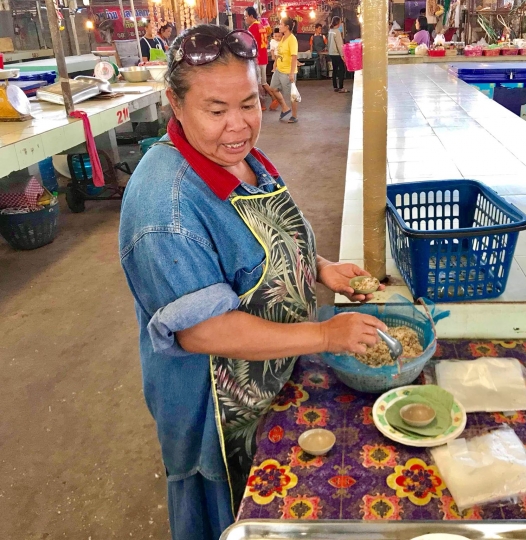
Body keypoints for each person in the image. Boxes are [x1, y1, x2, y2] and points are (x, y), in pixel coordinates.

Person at [119, 23, 385, 540]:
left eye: (249, 103)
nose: (238, 125)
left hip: (268, 379)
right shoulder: (165, 205)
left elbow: (262, 239)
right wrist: (328, 335)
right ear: (175, 103)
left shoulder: (239, 158)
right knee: (232, 515)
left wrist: (320, 267)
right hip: (216, 412)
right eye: (216, 111)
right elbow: (203, 332)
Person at [267, 17, 299, 123]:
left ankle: (294, 116)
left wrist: (291, 73)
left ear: (287, 27)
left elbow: (294, 57)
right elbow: (279, 53)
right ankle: (285, 108)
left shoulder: (292, 39)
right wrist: (275, 65)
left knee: (292, 95)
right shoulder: (283, 38)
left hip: (287, 71)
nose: (279, 26)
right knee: (273, 88)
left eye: (281, 24)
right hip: (279, 70)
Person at [244, 7, 271, 111]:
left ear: (251, 16)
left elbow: (247, 44)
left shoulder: (252, 28)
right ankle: (274, 98)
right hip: (263, 57)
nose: (245, 19)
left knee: (259, 83)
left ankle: (262, 104)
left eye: (246, 16)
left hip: (257, 59)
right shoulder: (261, 26)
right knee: (264, 82)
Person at [328, 16, 348, 94]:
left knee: (335, 70)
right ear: (338, 23)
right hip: (337, 54)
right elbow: (339, 45)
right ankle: (341, 87)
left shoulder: (330, 31)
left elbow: (329, 43)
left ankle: (335, 87)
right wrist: (342, 56)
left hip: (332, 53)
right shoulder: (337, 32)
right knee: (342, 70)